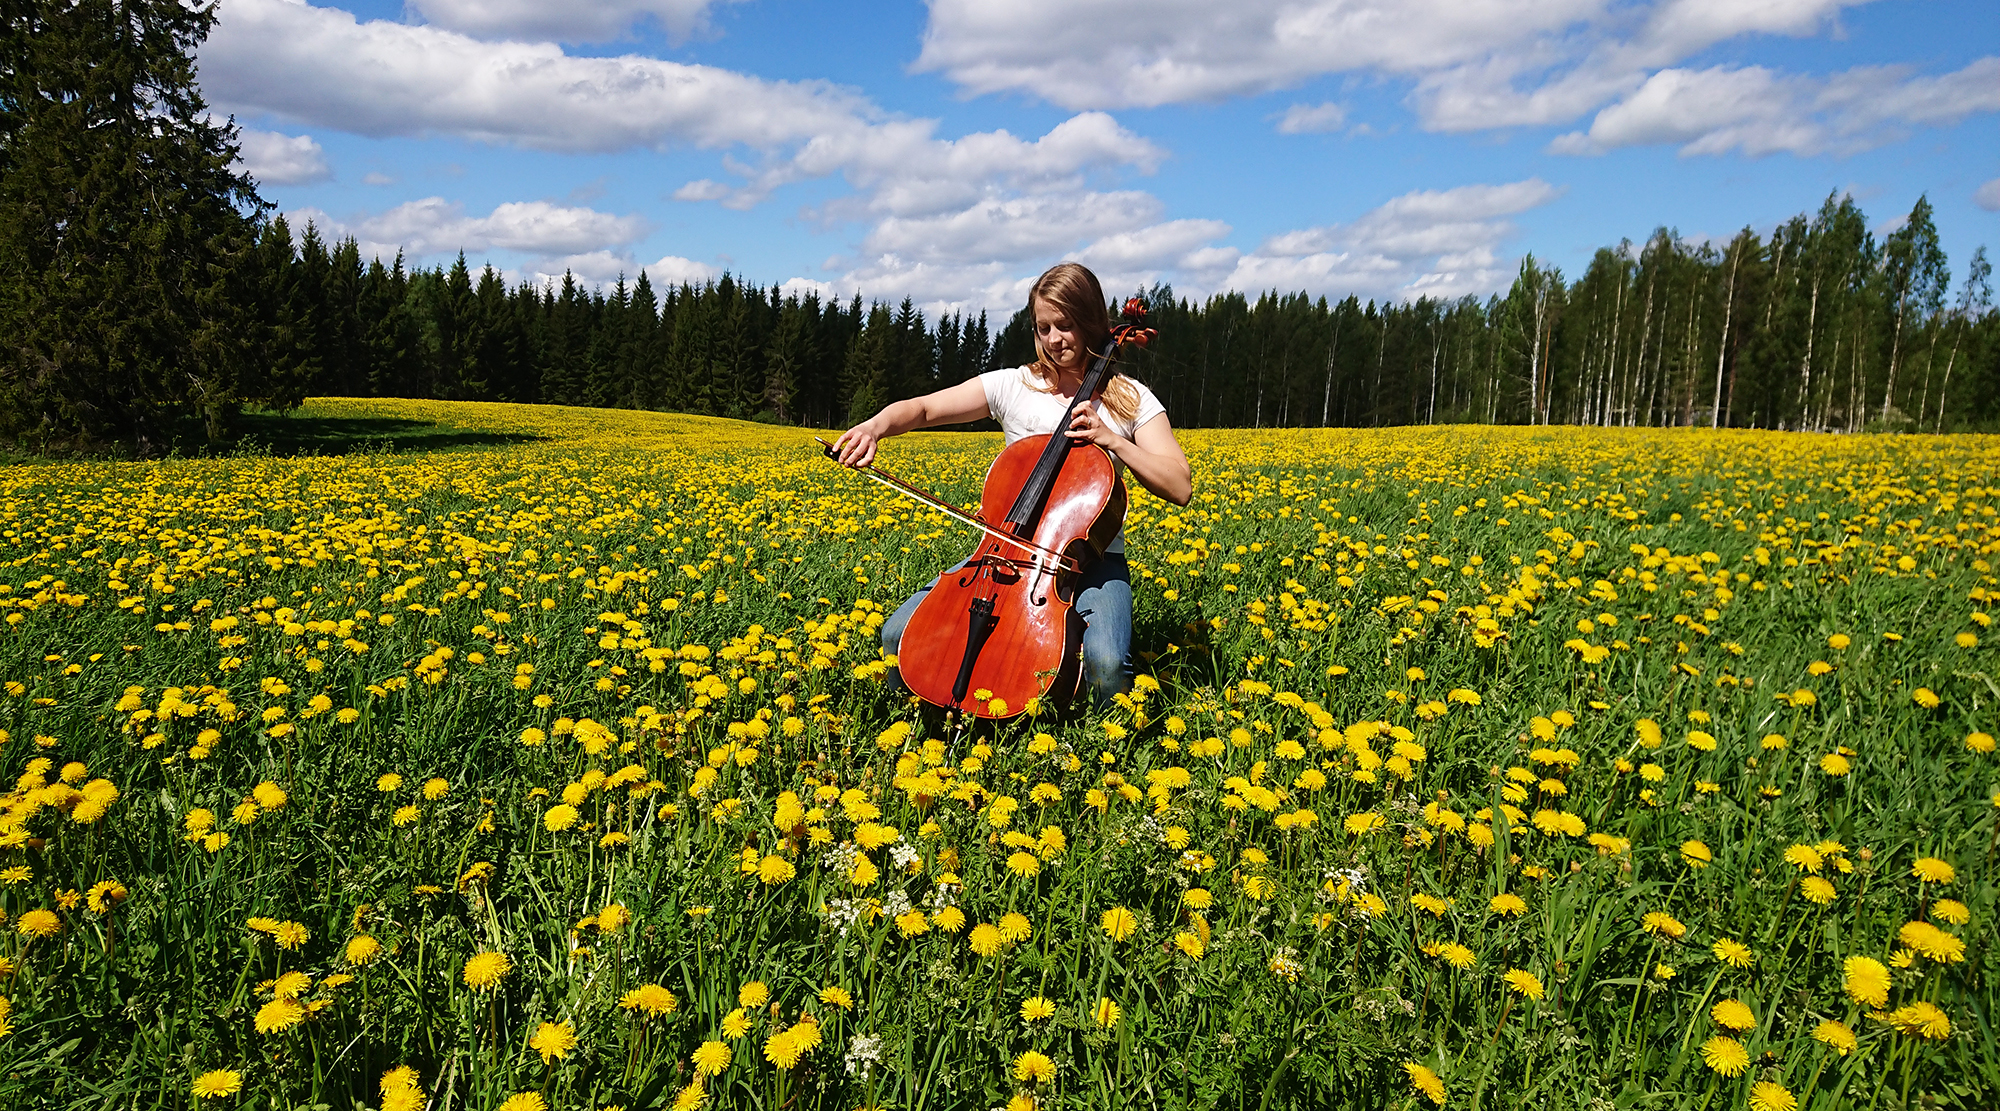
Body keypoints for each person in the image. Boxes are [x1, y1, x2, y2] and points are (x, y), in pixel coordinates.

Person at [833, 262, 1193, 707]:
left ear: (1093, 323)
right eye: (1043, 328)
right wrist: (874, 427)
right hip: (1006, 551)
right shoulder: (1015, 386)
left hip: (1096, 560)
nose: (1054, 340)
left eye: (1066, 325)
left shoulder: (1131, 399)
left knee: (1106, 663)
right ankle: (913, 724)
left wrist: (1111, 439)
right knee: (896, 632)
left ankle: (1103, 751)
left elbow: (1179, 485)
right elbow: (924, 409)